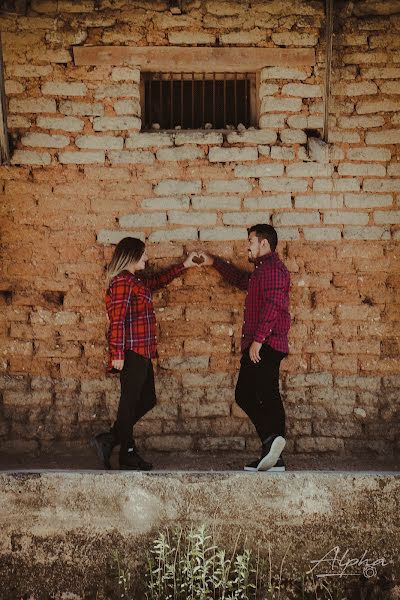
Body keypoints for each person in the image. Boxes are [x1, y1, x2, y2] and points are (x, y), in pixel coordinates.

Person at [92, 237, 199, 471]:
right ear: (131, 256)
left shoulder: (135, 281)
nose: (147, 258)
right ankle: (127, 454)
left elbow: (157, 280)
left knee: (147, 398)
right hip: (130, 350)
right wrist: (117, 353)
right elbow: (117, 320)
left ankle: (110, 439)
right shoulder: (121, 282)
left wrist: (185, 265)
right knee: (129, 402)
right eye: (143, 255)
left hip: (142, 350)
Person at [199, 224, 291, 472]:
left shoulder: (272, 270)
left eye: (251, 241)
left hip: (266, 344)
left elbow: (273, 306)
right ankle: (273, 454)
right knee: (256, 394)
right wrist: (214, 262)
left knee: (258, 394)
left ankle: (273, 447)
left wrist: (259, 340)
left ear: (264, 243)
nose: (247, 246)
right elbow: (241, 279)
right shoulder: (262, 271)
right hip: (263, 343)